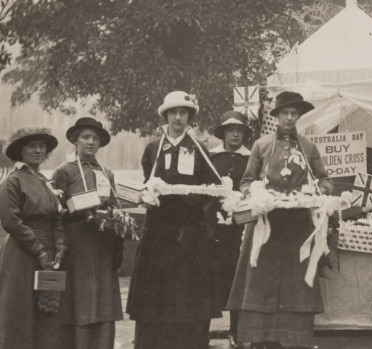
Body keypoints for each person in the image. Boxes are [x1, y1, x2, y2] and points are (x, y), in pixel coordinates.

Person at [227, 91, 333, 349]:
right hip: (266, 229)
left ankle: (292, 337)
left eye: (293, 113)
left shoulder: (308, 147)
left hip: (296, 228)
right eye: (284, 113)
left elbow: (324, 180)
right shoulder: (261, 146)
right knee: (261, 282)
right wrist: (257, 194)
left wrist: (318, 192)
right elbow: (246, 181)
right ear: (275, 116)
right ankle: (260, 338)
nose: (288, 117)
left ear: (299, 116)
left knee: (293, 283)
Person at [126, 91, 222, 348]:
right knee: (157, 289)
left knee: (188, 287)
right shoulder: (153, 148)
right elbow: (147, 184)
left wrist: (193, 202)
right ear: (165, 116)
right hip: (158, 231)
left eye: (183, 113)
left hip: (190, 231)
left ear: (189, 117)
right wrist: (149, 196)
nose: (178, 118)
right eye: (173, 113)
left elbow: (213, 187)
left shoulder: (199, 148)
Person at [52, 117, 123, 348]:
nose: (91, 142)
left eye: (95, 138)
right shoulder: (64, 171)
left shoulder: (106, 171)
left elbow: (114, 205)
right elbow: (56, 212)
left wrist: (117, 239)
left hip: (102, 243)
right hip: (77, 244)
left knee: (104, 300)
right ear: (75, 140)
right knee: (81, 299)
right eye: (85, 137)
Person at [0, 127, 68, 348]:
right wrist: (39, 251)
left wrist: (60, 247)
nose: (38, 150)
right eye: (32, 146)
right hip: (22, 255)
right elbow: (11, 222)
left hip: (48, 256)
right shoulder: (13, 181)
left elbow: (56, 217)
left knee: (47, 313)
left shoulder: (43, 181)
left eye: (42, 146)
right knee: (20, 313)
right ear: (21, 151)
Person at [210, 110, 252, 349]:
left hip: (242, 228)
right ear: (223, 132)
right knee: (213, 276)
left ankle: (237, 332)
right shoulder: (211, 157)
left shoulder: (250, 158)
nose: (235, 134)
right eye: (230, 129)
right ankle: (204, 330)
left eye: (239, 130)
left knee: (239, 278)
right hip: (215, 229)